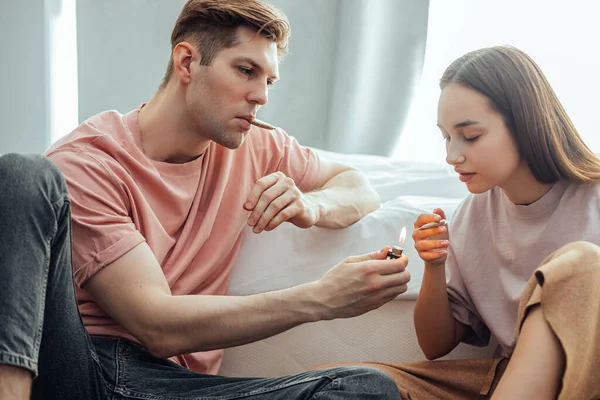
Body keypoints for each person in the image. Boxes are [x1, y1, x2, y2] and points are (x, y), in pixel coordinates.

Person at [0, 1, 410, 399]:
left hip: (173, 386)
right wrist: (322, 297)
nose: (261, 96)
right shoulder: (90, 163)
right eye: (246, 71)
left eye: (268, 81)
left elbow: (357, 185)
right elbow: (156, 325)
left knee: (363, 389)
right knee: (25, 175)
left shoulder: (257, 145)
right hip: (83, 369)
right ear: (186, 62)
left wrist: (312, 205)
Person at [319, 46, 600, 399]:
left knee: (580, 263)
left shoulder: (593, 199)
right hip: (502, 380)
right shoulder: (473, 214)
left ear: (526, 124)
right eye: (446, 137)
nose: (452, 155)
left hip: (584, 378)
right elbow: (435, 346)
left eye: (470, 136)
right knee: (342, 384)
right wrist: (435, 266)